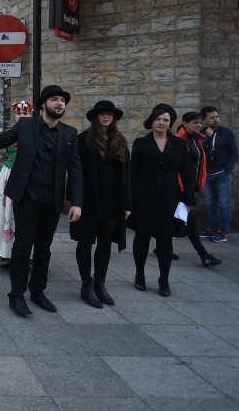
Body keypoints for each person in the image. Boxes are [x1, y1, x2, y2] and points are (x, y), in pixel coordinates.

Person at [0, 85, 83, 317]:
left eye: (63, 100)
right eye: (55, 99)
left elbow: (75, 169)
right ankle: (17, 295)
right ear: (43, 104)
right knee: (23, 247)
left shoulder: (69, 133)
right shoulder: (26, 125)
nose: (60, 103)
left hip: (51, 201)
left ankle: (38, 292)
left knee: (44, 249)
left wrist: (76, 202)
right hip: (26, 198)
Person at [129, 103, 197, 297]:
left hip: (169, 198)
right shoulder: (141, 143)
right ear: (152, 121)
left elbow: (187, 171)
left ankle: (163, 279)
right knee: (142, 237)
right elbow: (133, 171)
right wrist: (129, 199)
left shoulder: (178, 144)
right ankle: (139, 274)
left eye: (165, 120)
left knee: (165, 239)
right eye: (158, 119)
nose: (161, 122)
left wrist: (189, 198)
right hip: (144, 197)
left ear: (170, 123)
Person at [72, 100, 132, 308]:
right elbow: (75, 172)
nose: (106, 117)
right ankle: (86, 285)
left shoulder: (120, 141)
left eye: (110, 114)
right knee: (86, 241)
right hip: (88, 200)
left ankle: (100, 284)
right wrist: (75, 201)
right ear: (95, 116)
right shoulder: (83, 140)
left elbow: (126, 174)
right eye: (103, 113)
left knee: (105, 243)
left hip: (112, 201)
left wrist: (126, 204)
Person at [0, 100, 33, 267]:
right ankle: (7, 253)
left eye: (26, 113)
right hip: (8, 175)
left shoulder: (37, 133)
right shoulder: (8, 132)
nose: (22, 116)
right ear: (14, 115)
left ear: (31, 114)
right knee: (7, 213)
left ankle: (26, 256)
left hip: (29, 176)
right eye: (19, 113)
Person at [176, 112, 222, 267]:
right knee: (190, 222)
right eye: (195, 122)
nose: (199, 125)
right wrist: (186, 192)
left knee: (175, 220)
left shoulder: (197, 140)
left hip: (190, 187)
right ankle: (204, 255)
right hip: (180, 189)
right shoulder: (179, 141)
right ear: (185, 124)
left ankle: (158, 247)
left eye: (200, 123)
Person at [199, 106, 239, 243]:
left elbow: (234, 153)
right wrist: (207, 138)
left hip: (222, 173)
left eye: (217, 117)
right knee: (210, 204)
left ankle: (223, 232)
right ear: (204, 120)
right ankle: (213, 229)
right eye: (212, 117)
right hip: (207, 175)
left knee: (223, 204)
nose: (216, 120)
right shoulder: (202, 134)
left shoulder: (227, 132)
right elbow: (199, 151)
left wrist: (227, 170)